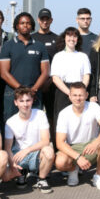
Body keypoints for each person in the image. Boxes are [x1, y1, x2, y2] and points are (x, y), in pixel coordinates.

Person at [55, 82, 100, 190]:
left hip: (91, 145)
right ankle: (73, 170)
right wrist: (78, 158)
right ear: (70, 96)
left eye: (81, 95)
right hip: (73, 147)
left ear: (86, 95)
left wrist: (96, 143)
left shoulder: (94, 106)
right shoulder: (64, 113)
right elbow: (59, 142)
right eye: (75, 95)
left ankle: (98, 176)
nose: (78, 98)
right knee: (60, 162)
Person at [4, 87, 55, 193]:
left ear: (32, 101)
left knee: (49, 151)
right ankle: (21, 173)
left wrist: (27, 150)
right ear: (15, 102)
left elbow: (45, 140)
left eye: (28, 100)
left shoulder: (40, 114)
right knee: (5, 177)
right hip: (19, 156)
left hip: (36, 153)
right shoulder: (10, 122)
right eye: (21, 101)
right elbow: (7, 148)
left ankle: (41, 179)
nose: (25, 104)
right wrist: (12, 163)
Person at [0, 12, 49, 117]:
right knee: (11, 128)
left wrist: (33, 90)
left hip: (35, 93)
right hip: (12, 93)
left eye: (28, 23)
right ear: (17, 26)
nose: (25, 25)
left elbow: (45, 72)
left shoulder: (40, 46)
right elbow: (4, 73)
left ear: (32, 26)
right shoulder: (8, 45)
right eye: (22, 23)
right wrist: (21, 89)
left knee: (35, 127)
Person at [51, 27, 91, 124]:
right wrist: (69, 92)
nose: (72, 39)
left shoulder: (83, 56)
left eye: (75, 36)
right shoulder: (58, 56)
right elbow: (55, 78)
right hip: (63, 91)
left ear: (78, 39)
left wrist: (80, 91)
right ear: (64, 38)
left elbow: (86, 75)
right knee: (61, 120)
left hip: (79, 90)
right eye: (69, 36)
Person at [34, 8, 59, 138]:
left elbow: (60, 62)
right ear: (38, 20)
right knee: (34, 117)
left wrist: (49, 81)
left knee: (52, 117)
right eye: (42, 19)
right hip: (35, 86)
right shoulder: (32, 38)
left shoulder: (58, 39)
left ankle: (55, 147)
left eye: (47, 19)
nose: (44, 21)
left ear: (51, 20)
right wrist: (38, 84)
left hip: (51, 84)